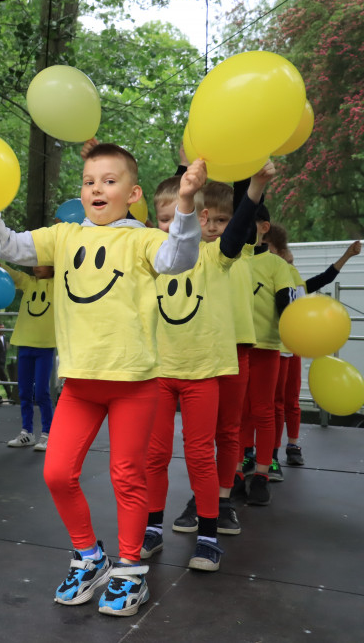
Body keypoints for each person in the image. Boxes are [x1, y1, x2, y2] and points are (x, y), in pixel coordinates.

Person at [0, 142, 206, 617]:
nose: (97, 187)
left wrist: (184, 202)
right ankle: (89, 556)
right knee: (57, 473)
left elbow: (180, 259)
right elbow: (7, 244)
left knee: (127, 479)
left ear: (132, 192)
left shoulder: (142, 239)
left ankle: (129, 571)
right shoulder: (63, 236)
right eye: (88, 180)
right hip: (80, 384)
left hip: (133, 384)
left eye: (109, 180)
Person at [142, 169, 266, 573]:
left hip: (202, 373)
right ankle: (152, 528)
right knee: (155, 455)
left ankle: (209, 537)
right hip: (160, 373)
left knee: (200, 454)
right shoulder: (150, 258)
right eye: (162, 220)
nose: (172, 226)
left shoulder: (215, 255)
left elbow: (238, 228)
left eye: (181, 217)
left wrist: (255, 187)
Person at [262, 225, 361, 469]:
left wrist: (347, 255)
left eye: (275, 250)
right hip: (273, 346)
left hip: (292, 346)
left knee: (291, 400)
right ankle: (270, 454)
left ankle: (292, 445)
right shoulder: (261, 274)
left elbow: (322, 279)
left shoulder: (290, 276)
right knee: (274, 403)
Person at [237, 203, 296, 506]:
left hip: (266, 349)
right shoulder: (229, 259)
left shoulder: (277, 266)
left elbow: (286, 304)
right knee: (236, 413)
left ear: (263, 228)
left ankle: (262, 474)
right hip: (234, 348)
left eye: (249, 222)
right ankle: (234, 473)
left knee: (262, 409)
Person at [3, 264, 56, 451]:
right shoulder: (29, 282)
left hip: (45, 346)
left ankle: (48, 434)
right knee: (24, 392)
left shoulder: (57, 285)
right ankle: (27, 433)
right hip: (24, 344)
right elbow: (14, 275)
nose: (36, 266)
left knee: (42, 392)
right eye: (34, 261)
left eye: (42, 262)